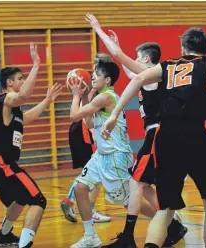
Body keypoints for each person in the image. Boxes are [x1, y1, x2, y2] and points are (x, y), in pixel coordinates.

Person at [102, 27, 206, 247]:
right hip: (196, 134)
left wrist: (114, 115)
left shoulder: (167, 66)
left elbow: (136, 80)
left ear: (183, 48)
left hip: (166, 136)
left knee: (164, 210)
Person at [86, 13, 187, 247]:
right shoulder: (148, 77)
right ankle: (174, 226)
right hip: (161, 135)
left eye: (136, 57)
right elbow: (129, 71)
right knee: (145, 184)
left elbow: (121, 58)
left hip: (158, 134)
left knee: (135, 181)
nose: (133, 60)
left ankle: (129, 237)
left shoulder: (153, 77)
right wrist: (120, 50)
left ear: (146, 59)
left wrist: (98, 30)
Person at [0, 43, 62, 248]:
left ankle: (3, 236)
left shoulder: (11, 108)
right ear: (9, 83)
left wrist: (46, 101)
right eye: (20, 78)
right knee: (38, 201)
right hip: (2, 161)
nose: (23, 81)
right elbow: (23, 96)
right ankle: (25, 244)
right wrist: (36, 65)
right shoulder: (9, 98)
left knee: (18, 200)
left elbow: (27, 118)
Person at [68, 60, 134, 248]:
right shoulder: (99, 98)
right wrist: (85, 96)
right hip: (101, 156)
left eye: (97, 73)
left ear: (107, 80)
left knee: (129, 202)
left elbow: (75, 116)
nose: (93, 76)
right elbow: (89, 124)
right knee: (80, 188)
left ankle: (169, 221)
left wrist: (75, 96)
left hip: (116, 156)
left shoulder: (107, 97)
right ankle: (91, 236)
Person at [60, 53, 113, 224]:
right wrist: (95, 136)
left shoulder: (91, 82)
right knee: (95, 173)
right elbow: (84, 112)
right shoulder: (97, 87)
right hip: (84, 129)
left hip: (78, 129)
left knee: (90, 172)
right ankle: (90, 210)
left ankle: (70, 201)